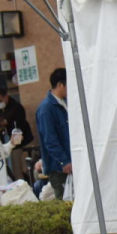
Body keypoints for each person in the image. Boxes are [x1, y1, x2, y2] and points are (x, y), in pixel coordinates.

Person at [35, 68, 71, 200]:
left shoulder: (65, 103)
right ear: (60, 85)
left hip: (71, 164)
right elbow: (50, 140)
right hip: (59, 167)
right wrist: (64, 161)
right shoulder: (46, 108)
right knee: (64, 201)